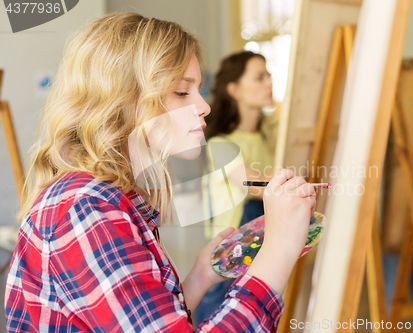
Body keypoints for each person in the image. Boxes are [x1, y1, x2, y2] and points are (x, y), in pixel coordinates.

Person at [4, 13, 316, 332]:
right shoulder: (88, 209)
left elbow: (154, 321)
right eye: (182, 92)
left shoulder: (113, 200)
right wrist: (280, 246)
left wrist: (199, 277)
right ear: (122, 100)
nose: (204, 106)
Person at [195, 51, 276, 324]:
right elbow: (251, 182)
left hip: (262, 240)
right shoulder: (220, 143)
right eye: (259, 77)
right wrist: (288, 184)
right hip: (230, 247)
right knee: (219, 317)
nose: (269, 83)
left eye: (269, 76)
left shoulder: (269, 137)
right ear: (234, 90)